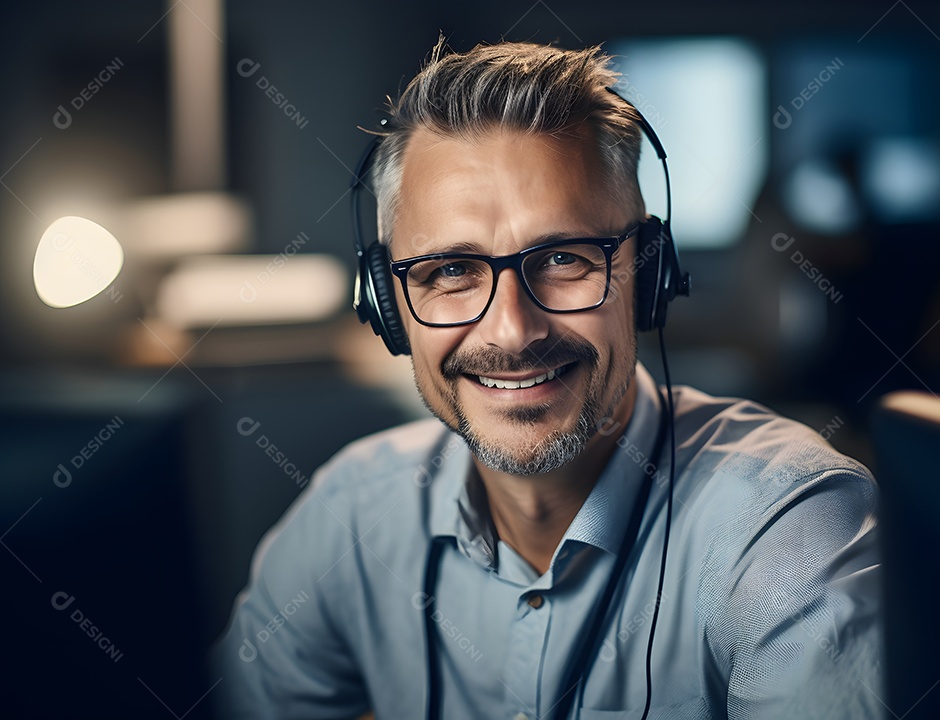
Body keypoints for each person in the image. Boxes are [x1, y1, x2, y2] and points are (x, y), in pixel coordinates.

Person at [212, 39, 884, 719]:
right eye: (450, 271)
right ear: (386, 308)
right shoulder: (351, 516)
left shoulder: (787, 532)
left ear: (646, 276)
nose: (511, 330)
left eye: (563, 258)